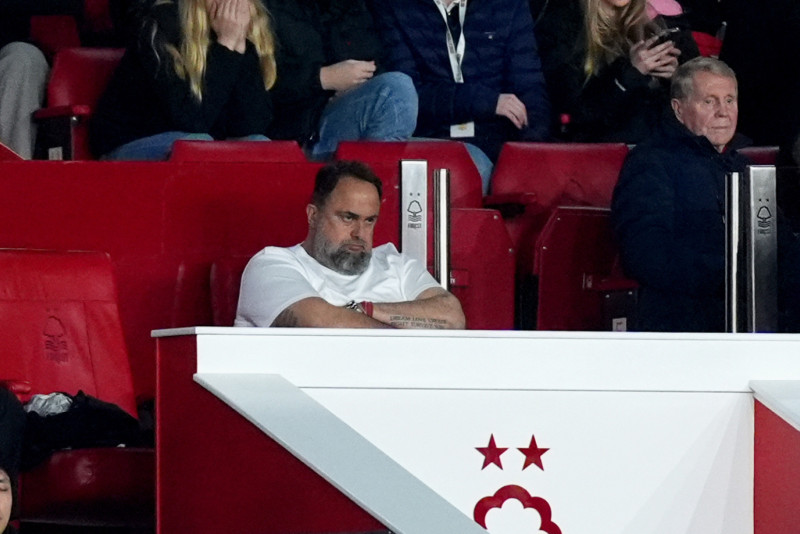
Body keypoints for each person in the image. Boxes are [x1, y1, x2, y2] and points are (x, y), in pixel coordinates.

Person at [611, 56, 800, 332]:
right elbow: (645, 255)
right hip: (685, 322)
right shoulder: (650, 163)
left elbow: (781, 246)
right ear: (678, 109)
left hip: (755, 315)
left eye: (729, 100)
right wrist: (733, 275)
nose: (723, 112)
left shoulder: (744, 168)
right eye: (709, 101)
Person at [235, 160, 466, 329]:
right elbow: (320, 324)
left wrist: (366, 309)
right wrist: (411, 330)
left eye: (369, 220)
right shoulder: (270, 264)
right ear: (313, 216)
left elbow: (453, 317)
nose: (359, 233)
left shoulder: (397, 265)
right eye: (348, 218)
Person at [370, 0, 550, 192]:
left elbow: (530, 87)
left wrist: (531, 150)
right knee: (470, 170)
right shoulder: (395, 7)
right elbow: (406, 97)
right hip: (432, 137)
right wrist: (486, 101)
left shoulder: (507, 5)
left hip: (496, 139)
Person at [89, 0, 277, 160]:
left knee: (261, 145)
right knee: (199, 146)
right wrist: (226, 46)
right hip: (132, 141)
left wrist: (240, 46)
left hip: (198, 141)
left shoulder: (235, 36)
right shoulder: (162, 25)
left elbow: (251, 125)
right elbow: (191, 120)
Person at [264, 0, 417, 161]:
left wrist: (354, 85)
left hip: (337, 118)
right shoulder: (270, 8)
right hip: (290, 129)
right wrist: (323, 78)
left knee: (397, 88)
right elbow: (260, 84)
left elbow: (374, 62)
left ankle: (369, 175)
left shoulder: (352, 7)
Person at [543, 0, 698, 143]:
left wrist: (676, 78)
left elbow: (698, 97)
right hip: (601, 147)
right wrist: (630, 74)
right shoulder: (565, 21)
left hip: (659, 145)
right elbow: (574, 112)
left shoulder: (663, 20)